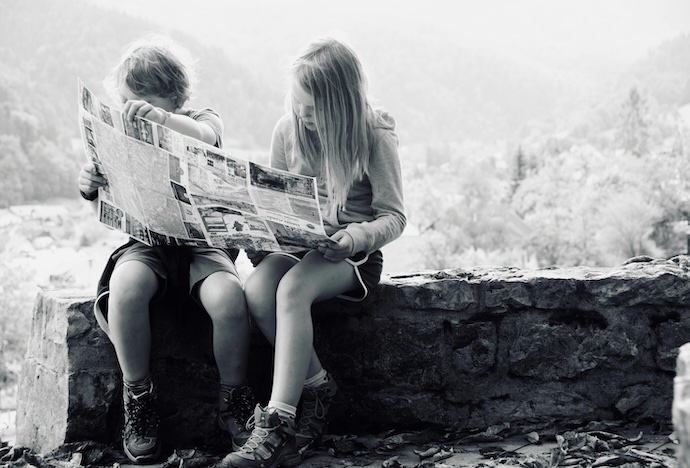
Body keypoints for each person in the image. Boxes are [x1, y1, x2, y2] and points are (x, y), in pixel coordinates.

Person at [221, 38, 406, 468]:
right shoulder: (288, 129)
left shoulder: (375, 135)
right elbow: (274, 200)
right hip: (301, 247)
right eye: (298, 105)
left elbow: (393, 217)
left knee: (291, 291)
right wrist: (257, 229)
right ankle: (319, 386)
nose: (302, 116)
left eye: (312, 110)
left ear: (340, 104)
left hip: (352, 257)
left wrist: (353, 239)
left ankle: (276, 426)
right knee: (258, 290)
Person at [77, 36, 253, 464]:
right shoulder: (122, 131)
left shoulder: (199, 117)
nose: (133, 111)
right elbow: (104, 183)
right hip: (148, 243)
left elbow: (207, 136)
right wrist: (89, 183)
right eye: (126, 102)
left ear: (175, 96)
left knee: (229, 300)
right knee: (126, 288)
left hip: (201, 246)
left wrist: (161, 121)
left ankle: (234, 399)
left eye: (146, 102)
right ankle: (138, 396)